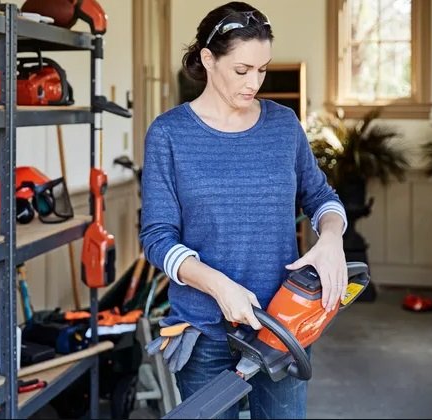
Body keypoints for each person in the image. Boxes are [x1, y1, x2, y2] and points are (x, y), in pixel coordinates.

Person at [139, 2, 348, 419]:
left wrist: (331, 238)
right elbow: (157, 238)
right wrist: (219, 286)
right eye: (242, 70)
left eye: (262, 69)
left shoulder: (283, 124)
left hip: (282, 325)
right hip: (203, 332)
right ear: (208, 59)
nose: (254, 82)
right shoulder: (169, 134)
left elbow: (321, 197)